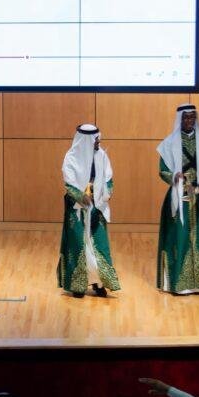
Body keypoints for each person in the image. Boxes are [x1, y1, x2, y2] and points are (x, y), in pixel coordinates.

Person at [157, 104, 199, 295]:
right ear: (180, 119)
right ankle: (179, 284)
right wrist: (173, 176)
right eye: (186, 117)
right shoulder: (169, 143)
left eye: (192, 117)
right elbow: (163, 170)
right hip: (178, 198)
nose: (189, 121)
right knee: (178, 237)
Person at [58, 124, 120, 297]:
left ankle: (99, 283)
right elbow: (69, 184)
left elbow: (108, 179)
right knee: (79, 246)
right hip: (77, 209)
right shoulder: (71, 158)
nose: (99, 142)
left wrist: (107, 192)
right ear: (86, 141)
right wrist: (80, 196)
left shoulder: (102, 156)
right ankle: (78, 285)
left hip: (96, 208)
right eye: (96, 140)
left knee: (99, 245)